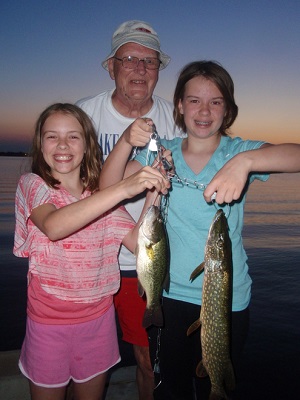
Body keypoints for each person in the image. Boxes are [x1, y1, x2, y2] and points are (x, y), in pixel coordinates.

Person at [99, 60, 300, 399]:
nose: (204, 111)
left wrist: (246, 162)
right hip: (169, 297)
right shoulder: (163, 155)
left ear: (228, 109)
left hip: (228, 300)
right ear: (179, 105)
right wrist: (124, 142)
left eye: (216, 101)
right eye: (194, 100)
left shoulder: (239, 151)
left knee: (216, 382)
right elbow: (107, 186)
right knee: (172, 388)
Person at [13, 103, 170, 400]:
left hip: (98, 324)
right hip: (48, 326)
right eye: (51, 136)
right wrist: (124, 188)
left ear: (87, 146)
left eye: (73, 136)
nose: (62, 145)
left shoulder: (101, 198)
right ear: (39, 144)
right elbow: (55, 226)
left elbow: (139, 242)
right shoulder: (33, 186)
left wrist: (154, 189)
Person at [76, 20, 180, 399]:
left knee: (146, 356)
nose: (139, 69)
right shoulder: (82, 116)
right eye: (130, 59)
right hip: (92, 258)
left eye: (149, 62)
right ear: (111, 66)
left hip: (148, 260)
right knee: (86, 359)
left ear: (158, 71)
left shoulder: (178, 118)